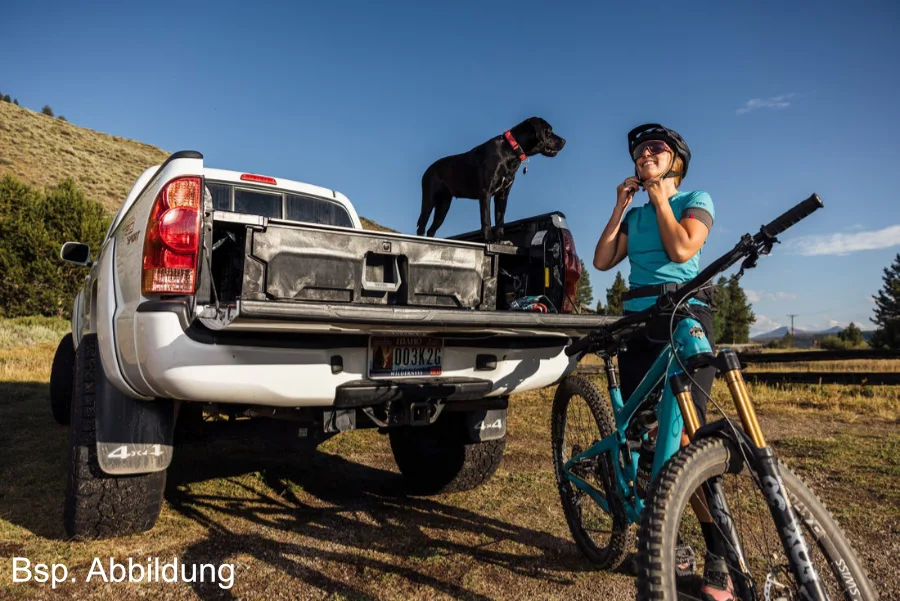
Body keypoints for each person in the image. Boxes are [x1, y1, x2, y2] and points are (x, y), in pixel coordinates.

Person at [593, 123, 733, 600]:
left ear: (677, 161)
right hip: (639, 323)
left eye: (656, 148)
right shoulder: (633, 216)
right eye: (638, 151)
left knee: (689, 439)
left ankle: (719, 554)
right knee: (643, 436)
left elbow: (681, 248)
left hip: (685, 315)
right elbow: (603, 260)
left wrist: (657, 197)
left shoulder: (696, 198)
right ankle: (660, 539)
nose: (644, 153)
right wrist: (620, 206)